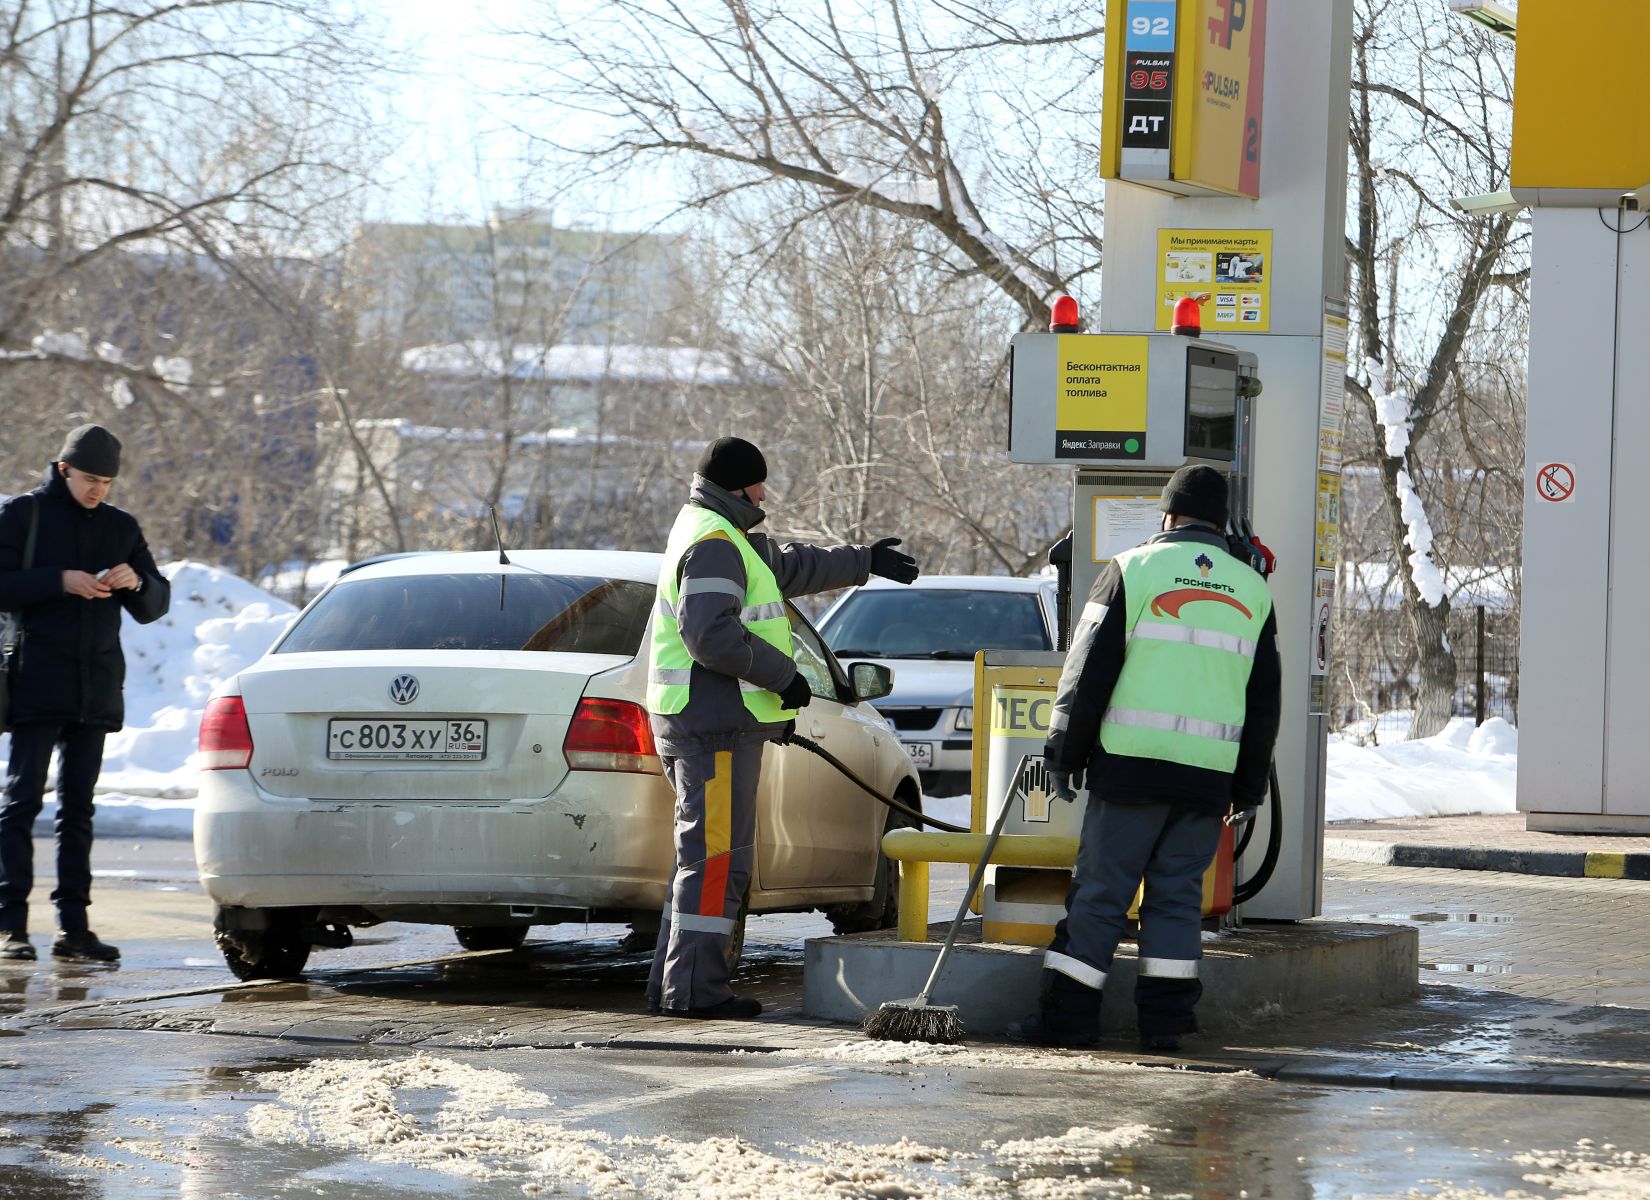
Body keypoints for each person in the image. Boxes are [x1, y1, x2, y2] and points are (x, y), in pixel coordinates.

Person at [645, 436, 918, 1019]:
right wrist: (783, 676)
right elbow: (711, 636)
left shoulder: (720, 534)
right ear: (737, 486)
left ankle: (676, 985)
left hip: (708, 721)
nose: (765, 495)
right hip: (714, 726)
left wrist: (863, 561)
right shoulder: (715, 542)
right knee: (717, 862)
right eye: (759, 484)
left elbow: (788, 566)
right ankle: (694, 993)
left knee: (704, 859)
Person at [1030, 465, 1280, 1050]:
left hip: (1130, 769)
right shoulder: (1252, 589)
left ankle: (1069, 1025)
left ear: (1167, 514)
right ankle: (1166, 1030)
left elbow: (1086, 672)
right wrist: (1248, 788)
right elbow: (1264, 699)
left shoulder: (1132, 569)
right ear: (1220, 522)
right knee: (1176, 903)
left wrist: (1063, 753)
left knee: (1101, 897)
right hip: (1207, 780)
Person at [0, 425, 171, 962]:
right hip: (34, 680)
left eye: (107, 482)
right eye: (90, 479)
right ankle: (10, 927)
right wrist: (59, 580)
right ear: (63, 469)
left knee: (78, 810)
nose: (98, 489)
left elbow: (155, 604)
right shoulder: (23, 515)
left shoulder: (121, 527)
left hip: (94, 687)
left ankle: (74, 929)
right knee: (20, 804)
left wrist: (135, 582)